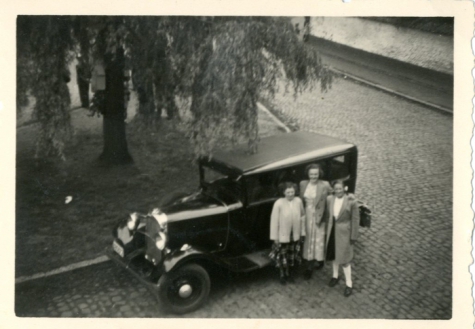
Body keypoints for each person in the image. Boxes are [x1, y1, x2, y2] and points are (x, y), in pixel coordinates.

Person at [325, 180, 360, 297]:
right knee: (333, 255)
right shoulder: (330, 199)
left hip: (344, 233)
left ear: (344, 188)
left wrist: (353, 236)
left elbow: (355, 220)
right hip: (332, 230)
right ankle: (335, 276)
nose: (338, 191)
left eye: (340, 189)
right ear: (333, 189)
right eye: (336, 189)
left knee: (344, 259)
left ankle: (349, 283)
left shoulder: (351, 202)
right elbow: (328, 215)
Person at [300, 163, 332, 280]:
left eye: (316, 174)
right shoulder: (303, 184)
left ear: (319, 174)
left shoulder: (325, 185)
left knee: (318, 239)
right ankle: (309, 264)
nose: (314, 176)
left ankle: (318, 261)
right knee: (308, 239)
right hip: (307, 215)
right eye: (311, 174)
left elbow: (332, 196)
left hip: (319, 216)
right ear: (308, 174)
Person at [269, 182, 305, 285]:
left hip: (295, 235)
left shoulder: (298, 201)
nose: (290, 194)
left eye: (292, 192)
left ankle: (289, 273)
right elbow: (274, 221)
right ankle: (282, 274)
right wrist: (275, 237)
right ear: (284, 192)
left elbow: (302, 217)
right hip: (282, 235)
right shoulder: (278, 203)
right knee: (282, 255)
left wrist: (302, 232)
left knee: (291, 255)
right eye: (288, 192)